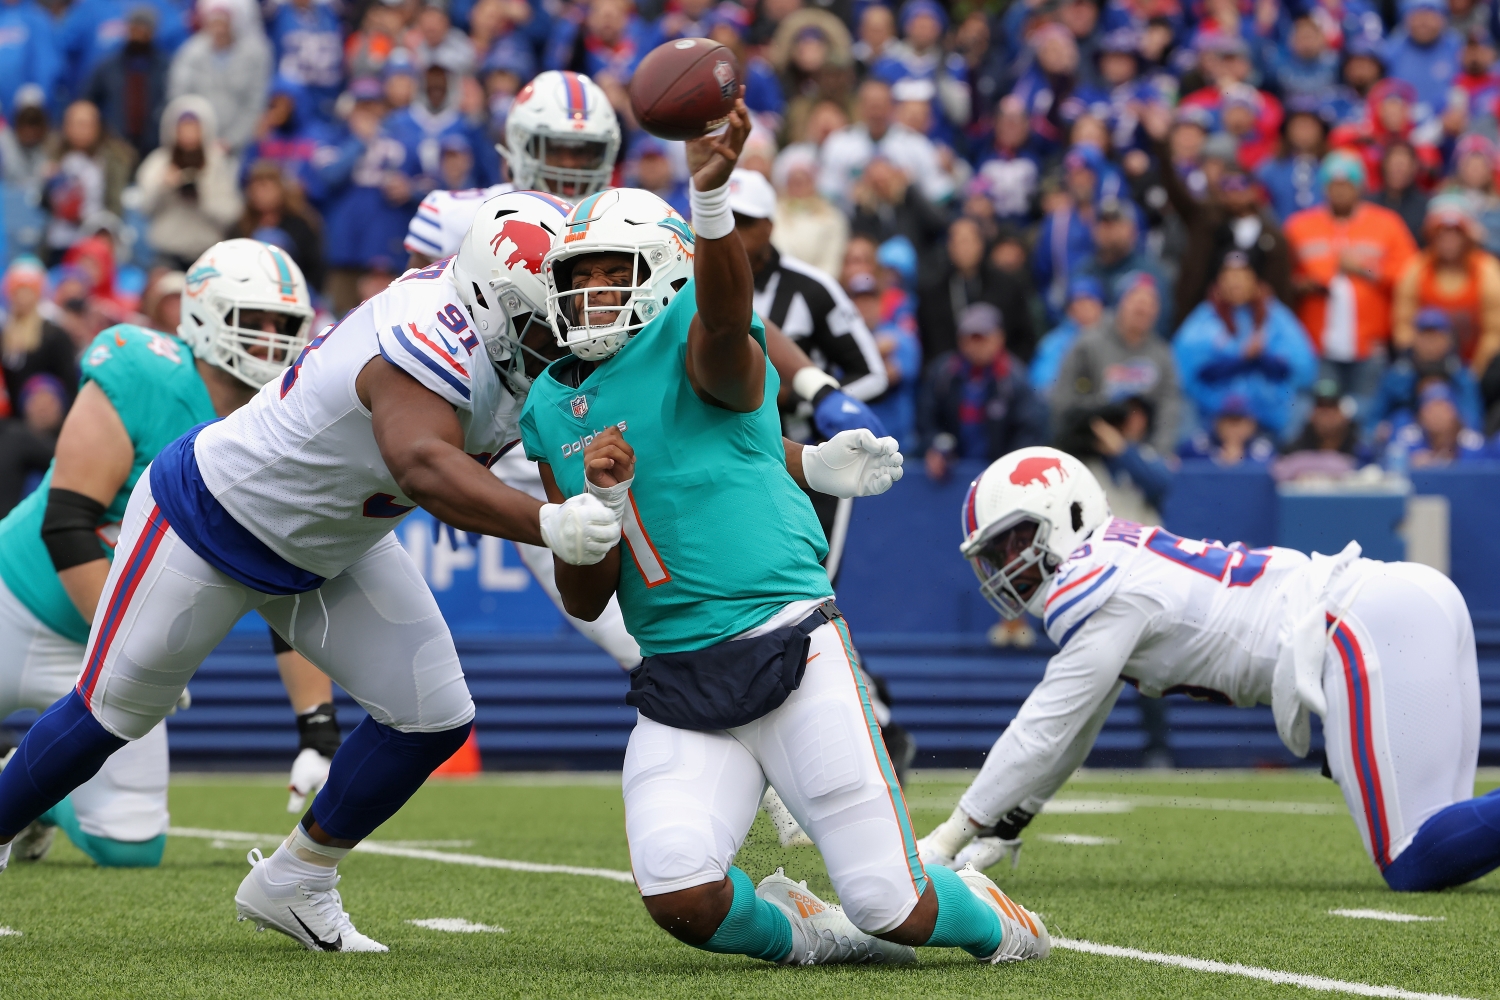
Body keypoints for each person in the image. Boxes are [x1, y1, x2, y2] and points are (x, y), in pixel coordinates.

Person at [0, 196, 622, 953]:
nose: (566, 323)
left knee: (433, 716)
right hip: (209, 521)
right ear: (498, 304)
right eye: (547, 306)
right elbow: (422, 465)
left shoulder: (519, 348)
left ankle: (297, 879)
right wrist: (547, 522)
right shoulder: (431, 333)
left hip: (334, 544)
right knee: (107, 716)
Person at [520, 100, 1050, 968]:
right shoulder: (550, 402)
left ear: (661, 275)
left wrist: (713, 200)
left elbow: (727, 320)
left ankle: (992, 918)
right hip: (678, 680)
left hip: (786, 647)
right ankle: (812, 935)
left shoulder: (699, 344)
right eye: (576, 277)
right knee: (680, 895)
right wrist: (600, 512)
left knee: (892, 904)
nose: (590, 294)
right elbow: (583, 589)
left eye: (611, 273)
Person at [918, 446, 1497, 897]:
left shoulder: (1093, 587)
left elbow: (1044, 727)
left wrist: (948, 837)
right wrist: (1010, 818)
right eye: (994, 554)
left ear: (1067, 514)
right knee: (1447, 834)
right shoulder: (1120, 561)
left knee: (1414, 860)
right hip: (1406, 598)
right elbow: (1077, 726)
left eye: (1014, 541)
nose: (1005, 565)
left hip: (1358, 625)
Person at [0, 239, 332, 870]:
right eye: (252, 321)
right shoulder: (145, 371)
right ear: (205, 315)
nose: (268, 340)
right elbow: (67, 522)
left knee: (129, 844)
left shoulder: (290, 423)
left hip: (98, 646)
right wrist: (131, 651)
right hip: (15, 599)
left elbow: (287, 578)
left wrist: (316, 724)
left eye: (282, 326)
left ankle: (29, 790)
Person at [1284, 151, 1418, 403]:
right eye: (1334, 186)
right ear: (1324, 188)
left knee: (1365, 413)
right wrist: (1301, 286)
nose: (1341, 192)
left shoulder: (1387, 224)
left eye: (1347, 185)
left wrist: (1366, 271)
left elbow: (1409, 276)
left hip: (1370, 344)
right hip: (1317, 343)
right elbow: (1283, 275)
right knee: (1321, 413)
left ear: (1360, 187)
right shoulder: (1299, 226)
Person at [1174, 250, 1319, 439]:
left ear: (1255, 281)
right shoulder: (1203, 319)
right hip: (1212, 419)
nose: (1236, 282)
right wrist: (1242, 359)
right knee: (1181, 405)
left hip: (1268, 419)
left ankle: (1286, 455)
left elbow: (1303, 372)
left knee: (1302, 403)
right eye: (1229, 276)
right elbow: (1185, 373)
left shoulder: (1276, 317)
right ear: (1219, 282)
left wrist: (1262, 358)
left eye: (1243, 275)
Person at [1051, 271, 1180, 456]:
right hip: (1092, 447)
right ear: (1120, 303)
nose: (1143, 310)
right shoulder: (1087, 345)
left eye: (1151, 304)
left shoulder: (1162, 354)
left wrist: (1159, 451)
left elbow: (1170, 406)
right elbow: (1065, 403)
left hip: (1143, 451)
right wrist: (1109, 422)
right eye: (1137, 303)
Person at [919, 302, 1049, 481]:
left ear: (999, 338)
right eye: (970, 337)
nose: (975, 345)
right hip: (951, 473)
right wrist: (934, 447)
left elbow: (1030, 430)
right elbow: (927, 417)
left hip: (999, 475)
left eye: (982, 337)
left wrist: (1010, 466)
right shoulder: (943, 374)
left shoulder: (1015, 380)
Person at [1391, 196, 1500, 376]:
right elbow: (1403, 326)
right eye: (1442, 233)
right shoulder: (1416, 269)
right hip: (1423, 366)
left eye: (1455, 233)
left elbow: (1494, 331)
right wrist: (1425, 366)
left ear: (1466, 236)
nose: (1449, 241)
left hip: (1476, 365)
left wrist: (1475, 372)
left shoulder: (1487, 270)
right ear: (1432, 236)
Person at [135, 97, 243, 270]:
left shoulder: (217, 163)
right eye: (183, 127)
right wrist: (163, 186)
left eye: (194, 127)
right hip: (167, 255)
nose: (189, 133)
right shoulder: (158, 162)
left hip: (207, 255)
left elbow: (231, 214)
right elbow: (143, 208)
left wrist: (202, 196)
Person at [166, 0, 272, 156]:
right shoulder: (189, 53)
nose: (220, 30)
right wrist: (196, 136)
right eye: (215, 23)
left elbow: (255, 103)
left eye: (224, 22)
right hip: (196, 143)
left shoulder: (255, 54)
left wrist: (231, 141)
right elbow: (179, 97)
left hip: (241, 146)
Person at [1370, 308, 1483, 438]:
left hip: (1451, 443)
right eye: (1425, 336)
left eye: (1435, 336)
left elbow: (1473, 419)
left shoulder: (1461, 373)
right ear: (1414, 338)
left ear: (1448, 339)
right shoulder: (1398, 373)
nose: (1430, 343)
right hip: (1405, 441)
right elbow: (1374, 419)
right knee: (1401, 417)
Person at [1, 257, 78, 414]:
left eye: (28, 291)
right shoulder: (4, 332)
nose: (22, 297)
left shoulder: (54, 335)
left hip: (43, 416)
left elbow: (69, 381)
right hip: (10, 419)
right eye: (17, 291)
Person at [1385, 381, 1492, 468]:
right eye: (1430, 409)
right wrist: (1409, 463)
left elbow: (1484, 473)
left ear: (1454, 413)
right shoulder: (1407, 437)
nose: (1437, 415)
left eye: (1442, 408)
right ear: (1421, 414)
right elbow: (1387, 465)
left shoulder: (1472, 442)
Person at [1031, 275, 1105, 395]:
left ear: (1100, 306)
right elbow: (1041, 383)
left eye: (1090, 301)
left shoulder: (1112, 337)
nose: (1085, 308)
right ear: (1070, 310)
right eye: (1079, 303)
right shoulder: (1054, 342)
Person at [1177, 394, 1278, 466]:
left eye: (1238, 421)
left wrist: (1240, 462)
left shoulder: (1263, 450)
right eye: (1227, 420)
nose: (1232, 428)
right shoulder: (1196, 445)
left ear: (1252, 424)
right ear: (1217, 422)